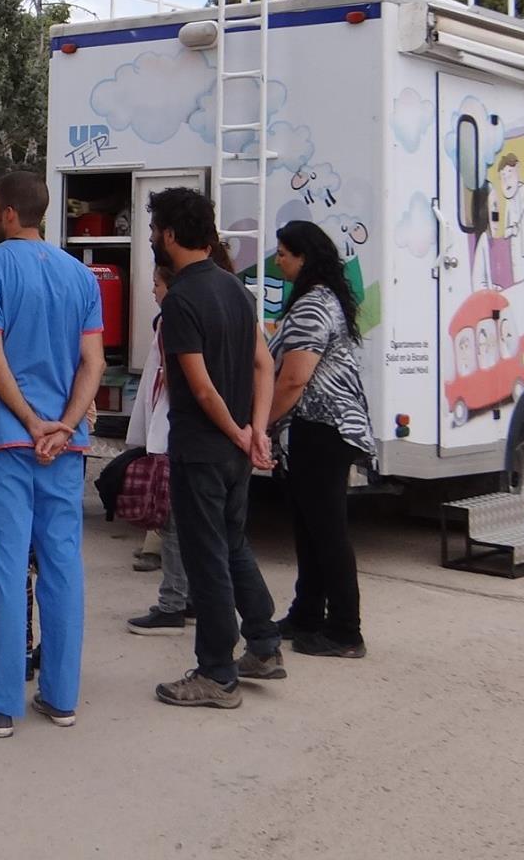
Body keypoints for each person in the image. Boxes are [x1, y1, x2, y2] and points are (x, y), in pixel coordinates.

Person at [0, 171, 104, 739]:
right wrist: (63, 424)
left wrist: (32, 420)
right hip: (65, 446)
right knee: (63, 566)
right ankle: (61, 697)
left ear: (9, 212)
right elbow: (93, 363)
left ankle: (1, 702)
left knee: (12, 570)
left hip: (8, 440)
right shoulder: (79, 275)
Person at [148, 187, 282, 710]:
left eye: (157, 228)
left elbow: (201, 388)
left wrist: (235, 431)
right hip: (233, 449)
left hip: (203, 448)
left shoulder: (181, 298)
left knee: (207, 559)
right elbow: (263, 365)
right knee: (232, 545)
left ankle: (216, 673)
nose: (155, 237)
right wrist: (257, 430)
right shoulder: (236, 289)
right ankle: (266, 645)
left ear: (173, 235)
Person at [268, 221, 375, 659]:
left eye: (284, 253)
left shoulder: (314, 305)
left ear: (303, 258)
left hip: (324, 427)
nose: (278, 260)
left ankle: (346, 631)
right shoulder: (322, 299)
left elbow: (294, 378)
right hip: (317, 429)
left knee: (327, 530)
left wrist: (262, 424)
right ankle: (307, 612)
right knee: (309, 527)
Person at [125, 265, 195, 636]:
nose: (153, 291)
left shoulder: (172, 321)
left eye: (156, 284)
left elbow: (167, 377)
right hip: (177, 433)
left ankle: (172, 602)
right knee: (188, 524)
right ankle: (190, 597)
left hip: (170, 433)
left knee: (171, 524)